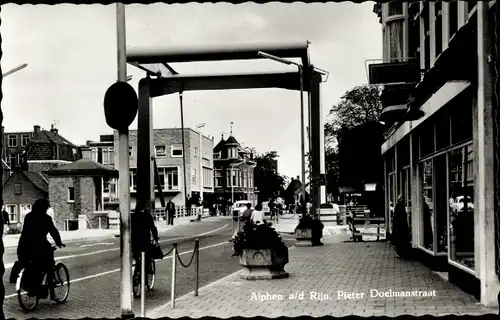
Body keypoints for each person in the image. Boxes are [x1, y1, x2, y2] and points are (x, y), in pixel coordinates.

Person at [17, 199, 65, 297]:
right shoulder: (46, 218)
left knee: (31, 266)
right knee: (50, 264)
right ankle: (51, 291)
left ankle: (32, 286)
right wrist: (59, 242)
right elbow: (53, 231)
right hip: (39, 246)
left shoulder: (28, 216)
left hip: (23, 247)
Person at [131, 202, 159, 273]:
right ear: (144, 208)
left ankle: (136, 272)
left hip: (134, 241)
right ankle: (144, 276)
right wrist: (155, 238)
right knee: (147, 257)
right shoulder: (147, 216)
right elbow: (153, 228)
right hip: (144, 241)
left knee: (136, 255)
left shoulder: (133, 216)